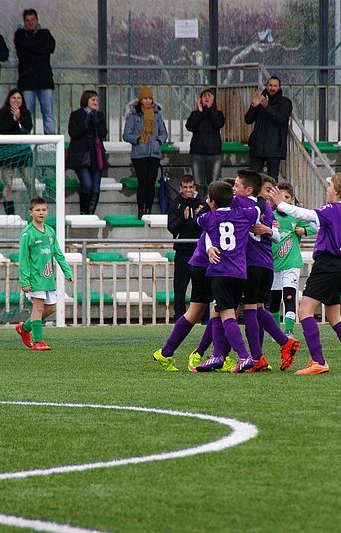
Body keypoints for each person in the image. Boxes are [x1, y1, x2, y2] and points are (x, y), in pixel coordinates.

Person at [267, 173, 341, 375]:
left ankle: (318, 361)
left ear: (338, 191)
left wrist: (280, 204)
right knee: (334, 316)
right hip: (338, 266)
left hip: (326, 265)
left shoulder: (333, 208)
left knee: (304, 311)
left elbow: (306, 215)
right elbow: (316, 225)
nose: (327, 188)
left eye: (330, 185)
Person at [231, 170, 299, 372]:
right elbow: (276, 235)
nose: (270, 194)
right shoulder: (266, 209)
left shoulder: (242, 203)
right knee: (259, 309)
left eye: (236, 185)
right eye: (268, 190)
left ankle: (263, 354)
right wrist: (270, 229)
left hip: (252, 263)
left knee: (250, 310)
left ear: (250, 189)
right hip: (267, 264)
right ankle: (265, 352)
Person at [193, 181, 262, 373]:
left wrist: (209, 205)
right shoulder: (244, 215)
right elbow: (259, 208)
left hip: (220, 271)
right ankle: (217, 356)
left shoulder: (209, 218)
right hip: (239, 272)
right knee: (217, 312)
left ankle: (244, 356)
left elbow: (197, 219)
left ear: (212, 202)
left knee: (226, 315)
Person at [152, 183, 211, 372]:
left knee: (204, 311)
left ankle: (167, 351)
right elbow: (174, 227)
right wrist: (186, 219)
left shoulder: (205, 210)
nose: (188, 189)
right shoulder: (183, 206)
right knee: (225, 311)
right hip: (203, 261)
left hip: (204, 260)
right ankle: (215, 355)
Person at [15, 197, 74, 351]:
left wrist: (67, 271)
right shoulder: (27, 234)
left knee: (51, 308)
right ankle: (38, 341)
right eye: (37, 210)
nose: (41, 213)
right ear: (31, 212)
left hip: (47, 277)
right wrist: (25, 280)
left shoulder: (50, 231)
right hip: (34, 277)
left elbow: (58, 253)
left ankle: (24, 328)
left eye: (43, 210)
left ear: (47, 211)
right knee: (38, 307)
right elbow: (23, 259)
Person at [268, 181, 315, 336]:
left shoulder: (296, 217)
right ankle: (276, 333)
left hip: (291, 263)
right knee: (274, 301)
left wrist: (304, 231)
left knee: (289, 297)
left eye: (287, 197)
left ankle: (289, 331)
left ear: (292, 199)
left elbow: (316, 225)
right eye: (281, 196)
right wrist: (269, 228)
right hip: (274, 264)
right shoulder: (270, 217)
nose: (284, 200)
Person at [123, 87, 168, 218]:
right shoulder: (133, 116)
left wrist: (158, 141)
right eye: (145, 98)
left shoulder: (157, 115)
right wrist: (138, 139)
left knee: (151, 183)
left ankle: (148, 209)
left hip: (154, 153)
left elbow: (164, 133)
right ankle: (140, 210)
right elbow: (126, 135)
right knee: (142, 182)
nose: (148, 101)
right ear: (140, 100)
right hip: (139, 154)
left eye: (150, 98)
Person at [166, 175, 205, 319]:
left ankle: (201, 317)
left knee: (200, 286)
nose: (188, 190)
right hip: (182, 251)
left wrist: (199, 216)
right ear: (181, 188)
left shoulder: (202, 204)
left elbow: (206, 226)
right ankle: (179, 317)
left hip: (199, 251)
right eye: (185, 187)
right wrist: (183, 218)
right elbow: (172, 228)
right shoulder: (175, 204)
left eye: (190, 187)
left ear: (194, 187)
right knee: (180, 286)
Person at [14, 9, 56, 135]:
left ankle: (51, 142)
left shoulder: (45, 33)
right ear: (24, 21)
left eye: (33, 20)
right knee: (27, 114)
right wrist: (39, 47)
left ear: (37, 20)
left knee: (48, 113)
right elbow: (21, 49)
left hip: (45, 80)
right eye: (27, 20)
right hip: (27, 81)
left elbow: (51, 47)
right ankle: (26, 141)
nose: (30, 23)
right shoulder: (20, 34)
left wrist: (29, 47)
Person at [66, 90, 107, 215]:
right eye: (93, 100)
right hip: (81, 155)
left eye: (97, 100)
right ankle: (83, 212)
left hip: (96, 155)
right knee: (87, 185)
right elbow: (73, 132)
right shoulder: (76, 115)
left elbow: (103, 133)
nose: (96, 102)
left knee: (96, 188)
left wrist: (96, 122)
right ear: (86, 100)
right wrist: (86, 123)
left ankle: (90, 214)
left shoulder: (99, 115)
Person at [244, 76, 292, 179]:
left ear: (279, 88)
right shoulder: (260, 100)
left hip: (274, 148)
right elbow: (248, 119)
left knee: (272, 179)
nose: (272, 88)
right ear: (266, 86)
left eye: (275, 86)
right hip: (257, 146)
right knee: (253, 178)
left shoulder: (285, 102)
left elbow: (281, 119)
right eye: (270, 85)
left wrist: (267, 107)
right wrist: (253, 106)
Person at [0, 88, 33, 215]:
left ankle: (36, 210)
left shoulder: (26, 113)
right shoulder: (2, 113)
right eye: (14, 98)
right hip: (7, 152)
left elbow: (27, 128)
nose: (16, 100)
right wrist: (14, 119)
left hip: (22, 151)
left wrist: (19, 117)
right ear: (9, 99)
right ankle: (10, 215)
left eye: (19, 98)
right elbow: (1, 128)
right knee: (8, 183)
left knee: (29, 180)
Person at [185, 88, 225, 187]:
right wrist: (200, 112)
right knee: (198, 184)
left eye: (209, 96)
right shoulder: (195, 114)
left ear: (213, 100)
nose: (206, 98)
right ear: (200, 99)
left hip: (214, 154)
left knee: (213, 184)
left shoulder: (218, 113)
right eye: (204, 96)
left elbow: (218, 123)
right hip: (197, 153)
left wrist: (210, 110)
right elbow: (190, 127)